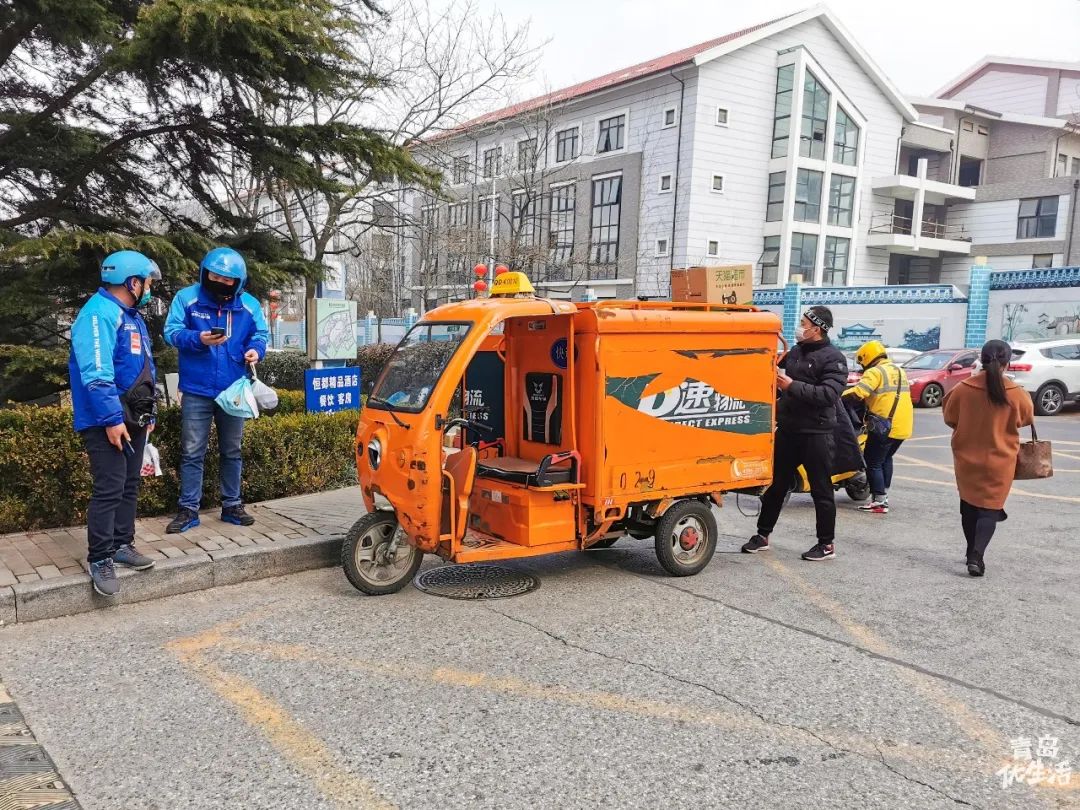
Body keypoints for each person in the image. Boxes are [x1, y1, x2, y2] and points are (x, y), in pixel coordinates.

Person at [69, 251, 162, 596]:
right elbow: (96, 373)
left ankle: (122, 544)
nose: (150, 288)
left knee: (129, 484)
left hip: (133, 417)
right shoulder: (99, 313)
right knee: (109, 486)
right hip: (105, 419)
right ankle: (100, 557)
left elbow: (143, 368)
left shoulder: (131, 316)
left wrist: (149, 414)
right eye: (147, 282)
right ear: (132, 282)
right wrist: (110, 419)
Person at [164, 247, 269, 533]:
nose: (220, 283)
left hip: (233, 389)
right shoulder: (187, 298)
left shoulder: (248, 305)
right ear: (204, 273)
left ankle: (232, 505)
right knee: (192, 451)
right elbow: (171, 332)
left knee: (232, 450)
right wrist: (198, 338)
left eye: (227, 280)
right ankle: (188, 509)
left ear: (238, 281)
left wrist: (255, 351)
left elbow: (260, 334)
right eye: (215, 277)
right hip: (196, 388)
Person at [743, 306, 848, 561]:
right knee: (776, 487)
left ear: (817, 328)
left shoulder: (834, 358)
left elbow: (828, 395)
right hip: (789, 429)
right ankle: (762, 535)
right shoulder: (795, 353)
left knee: (821, 491)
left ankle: (826, 544)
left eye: (804, 323)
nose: (800, 327)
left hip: (816, 433)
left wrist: (792, 385)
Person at [942, 339, 1034, 577]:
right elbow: (1026, 418)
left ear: (980, 360)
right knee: (990, 508)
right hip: (1001, 461)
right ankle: (977, 555)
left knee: (968, 505)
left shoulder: (962, 389)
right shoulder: (1016, 393)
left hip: (966, 457)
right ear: (1007, 363)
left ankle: (970, 551)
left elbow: (950, 417)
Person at [842, 340, 913, 514]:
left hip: (883, 426)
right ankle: (883, 495)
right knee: (886, 459)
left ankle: (879, 502)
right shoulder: (899, 370)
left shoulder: (875, 372)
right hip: (902, 425)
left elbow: (860, 392)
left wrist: (837, 395)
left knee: (873, 462)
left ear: (866, 357)